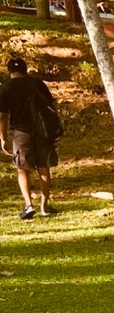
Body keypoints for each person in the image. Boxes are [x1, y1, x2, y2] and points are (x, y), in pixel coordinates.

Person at [0, 56, 58, 220]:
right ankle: (44, 206)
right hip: (42, 131)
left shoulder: (6, 87)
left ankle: (28, 205)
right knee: (44, 168)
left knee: (22, 168)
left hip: (21, 132)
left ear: (10, 71)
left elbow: (2, 116)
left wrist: (3, 137)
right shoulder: (37, 83)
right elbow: (52, 107)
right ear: (25, 70)